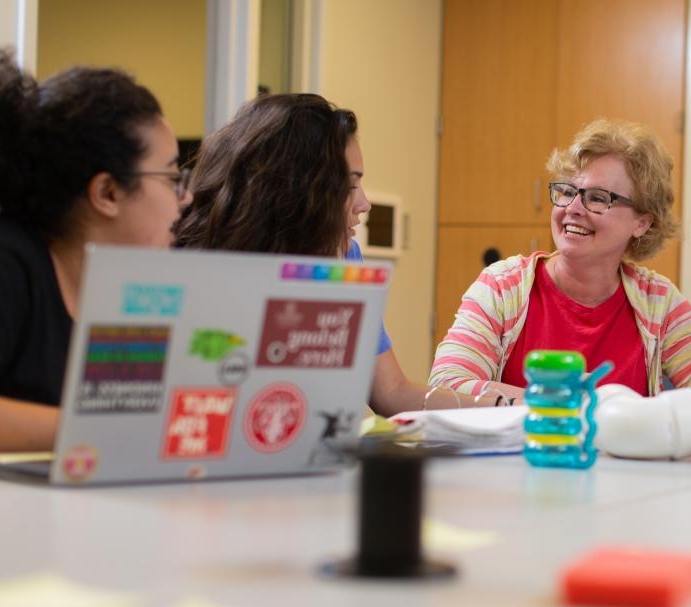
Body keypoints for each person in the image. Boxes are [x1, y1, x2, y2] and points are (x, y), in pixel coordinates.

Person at [174, 93, 486, 416]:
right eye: (350, 187)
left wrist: (513, 407)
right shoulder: (203, 269)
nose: (364, 204)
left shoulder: (345, 257)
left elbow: (392, 392)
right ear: (297, 192)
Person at [0, 49, 188, 456]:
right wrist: (106, 430)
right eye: (171, 177)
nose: (184, 199)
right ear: (107, 193)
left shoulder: (132, 290)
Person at [430, 118, 691, 401]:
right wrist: (557, 404)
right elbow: (445, 389)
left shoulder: (659, 303)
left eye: (597, 198)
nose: (572, 209)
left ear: (642, 223)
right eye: (567, 191)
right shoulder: (502, 287)